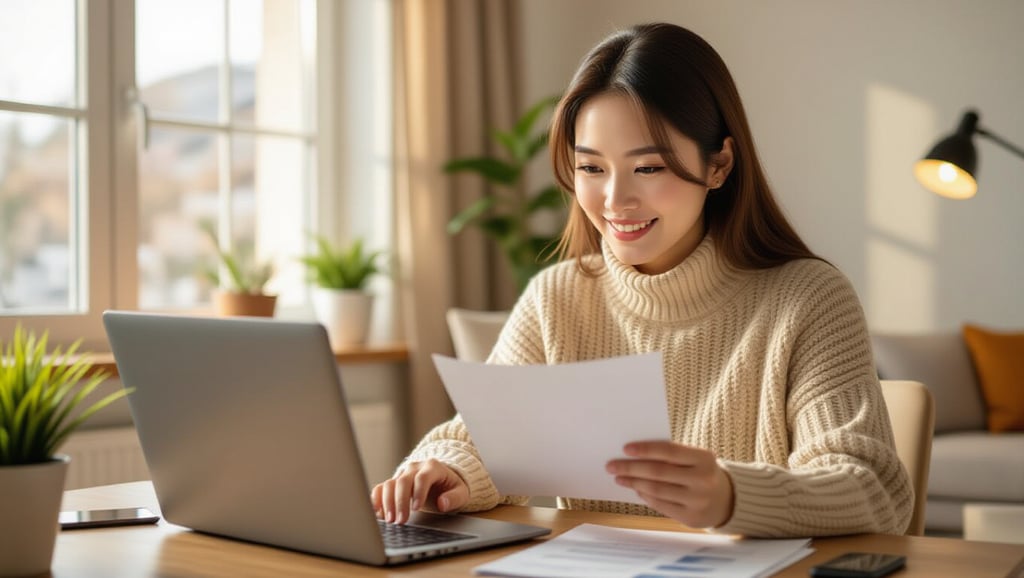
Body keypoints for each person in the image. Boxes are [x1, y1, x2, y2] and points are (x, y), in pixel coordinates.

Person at [372, 22, 913, 538]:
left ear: (719, 164)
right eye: (590, 168)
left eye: (648, 168)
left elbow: (872, 489)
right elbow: (478, 442)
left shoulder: (808, 299)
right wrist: (449, 472)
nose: (614, 201)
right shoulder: (558, 298)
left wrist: (732, 496)